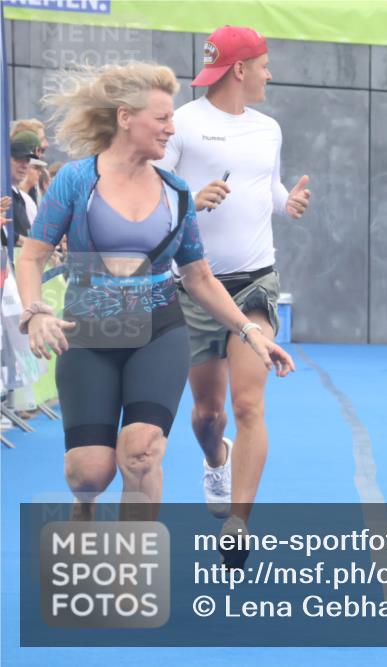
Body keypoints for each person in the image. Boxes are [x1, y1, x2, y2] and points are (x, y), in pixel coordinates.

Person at [14, 62, 295, 523]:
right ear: (126, 117)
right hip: (89, 329)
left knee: (141, 452)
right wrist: (36, 311)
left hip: (158, 329)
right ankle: (83, 508)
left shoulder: (177, 193)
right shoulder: (77, 180)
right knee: (89, 472)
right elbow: (31, 256)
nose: (171, 129)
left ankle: (132, 577)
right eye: (162, 118)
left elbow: (200, 278)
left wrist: (249, 331)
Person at [157, 25, 310, 560]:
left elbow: (265, 189)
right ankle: (215, 460)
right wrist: (190, 201)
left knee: (249, 404)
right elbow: (152, 200)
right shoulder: (182, 125)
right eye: (264, 63)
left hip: (256, 281)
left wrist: (284, 203)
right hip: (196, 285)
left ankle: (238, 524)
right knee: (208, 416)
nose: (270, 73)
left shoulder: (268, 129)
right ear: (239, 69)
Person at [5, 132, 43, 247]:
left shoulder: (22, 198)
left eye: (27, 160)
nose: (24, 165)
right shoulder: (3, 192)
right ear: (4, 159)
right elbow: (4, 234)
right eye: (18, 159)